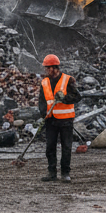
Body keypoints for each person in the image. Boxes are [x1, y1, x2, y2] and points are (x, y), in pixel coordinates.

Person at [38, 54, 81, 182]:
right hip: (51, 120)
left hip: (66, 120)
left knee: (66, 147)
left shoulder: (68, 80)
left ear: (54, 68)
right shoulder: (45, 82)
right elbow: (42, 101)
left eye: (48, 68)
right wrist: (43, 114)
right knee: (50, 147)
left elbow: (77, 97)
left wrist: (65, 98)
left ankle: (65, 173)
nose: (46, 70)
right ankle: (52, 173)